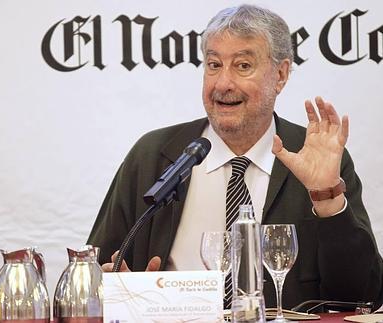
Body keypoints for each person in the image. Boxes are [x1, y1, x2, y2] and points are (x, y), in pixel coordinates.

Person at [87, 4, 383, 310]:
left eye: (243, 66)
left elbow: (362, 297)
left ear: (280, 75)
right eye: (214, 65)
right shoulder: (152, 156)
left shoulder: (314, 158)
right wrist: (117, 289)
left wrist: (327, 200)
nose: (223, 83)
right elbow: (94, 273)